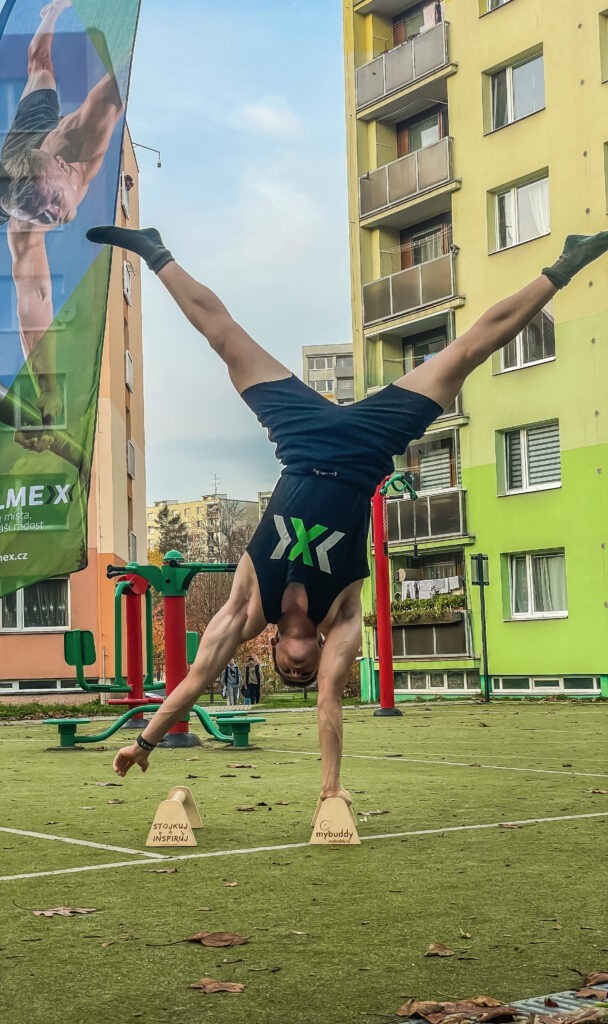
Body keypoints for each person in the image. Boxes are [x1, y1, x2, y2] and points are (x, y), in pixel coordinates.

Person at [87, 224, 608, 803]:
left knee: (225, 338)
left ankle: (154, 250)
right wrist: (331, 791)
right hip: (364, 452)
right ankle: (566, 264)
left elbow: (194, 680)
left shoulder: (246, 607)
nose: (304, 673)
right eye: (304, 675)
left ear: (279, 652)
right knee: (468, 352)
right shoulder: (342, 621)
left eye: (293, 672)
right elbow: (332, 704)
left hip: (302, 442)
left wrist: (145, 742)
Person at [0, 0, 125, 447]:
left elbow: (121, 77)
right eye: (43, 216)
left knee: (40, 66)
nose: (54, 217)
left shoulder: (83, 130)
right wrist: (47, 394)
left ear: (63, 167)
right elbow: (35, 297)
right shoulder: (22, 222)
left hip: (36, 134)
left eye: (52, 203)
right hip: (7, 191)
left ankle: (48, 14)